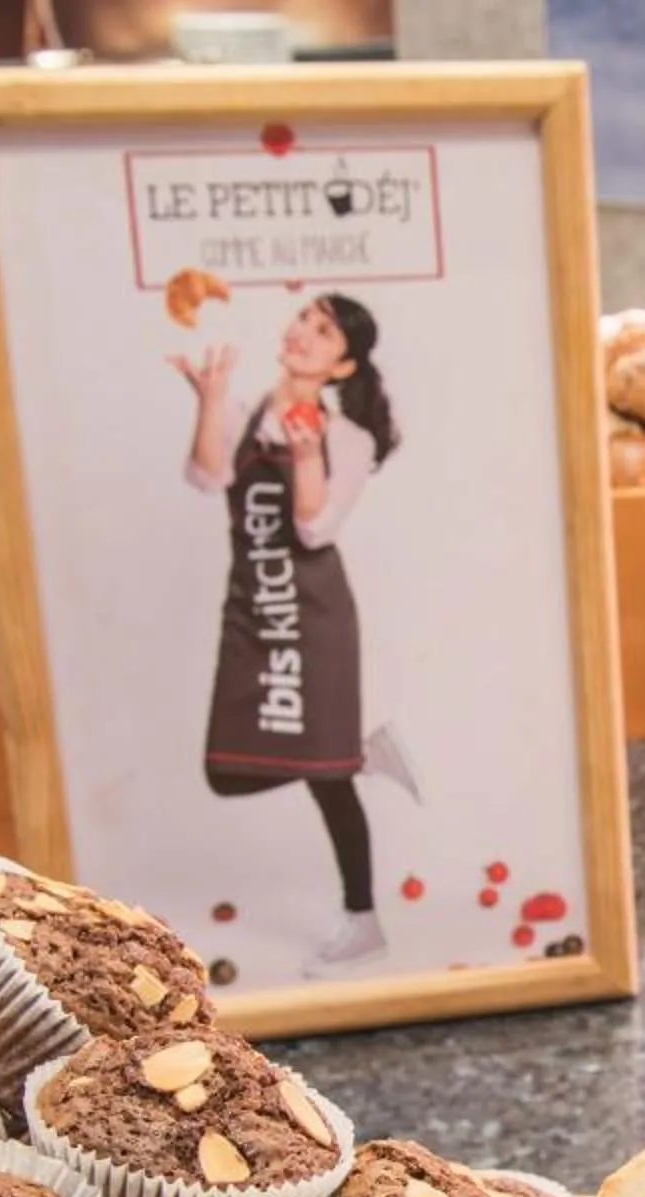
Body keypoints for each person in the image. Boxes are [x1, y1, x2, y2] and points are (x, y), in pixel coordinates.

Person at [172, 292, 418, 971]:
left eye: (324, 330)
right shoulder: (244, 412)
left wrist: (308, 457)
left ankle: (362, 920)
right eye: (304, 318)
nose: (304, 332)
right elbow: (206, 476)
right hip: (253, 606)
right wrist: (209, 399)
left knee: (325, 782)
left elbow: (314, 530)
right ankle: (360, 754)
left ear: (343, 365)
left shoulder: (349, 440)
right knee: (226, 772)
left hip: (311, 615)